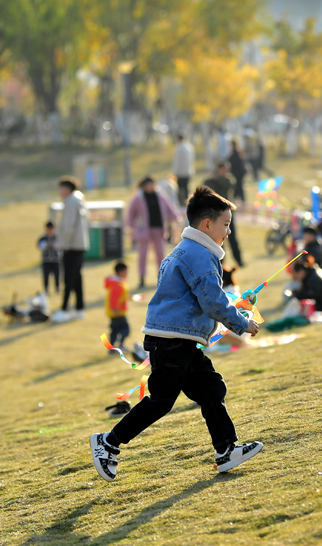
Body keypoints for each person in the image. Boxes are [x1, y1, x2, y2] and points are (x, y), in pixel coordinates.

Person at [89, 186, 262, 482]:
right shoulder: (200, 254)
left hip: (178, 339)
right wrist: (240, 322)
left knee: (211, 389)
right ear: (207, 225)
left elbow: (200, 301)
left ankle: (226, 450)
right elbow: (211, 300)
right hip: (172, 341)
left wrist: (233, 311)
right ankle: (108, 442)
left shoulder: (185, 250)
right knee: (161, 400)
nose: (228, 232)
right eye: (226, 224)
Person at [127, 176, 180, 288]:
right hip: (144, 231)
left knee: (161, 255)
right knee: (143, 255)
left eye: (152, 184)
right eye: (148, 184)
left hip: (159, 229)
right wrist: (131, 226)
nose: (151, 187)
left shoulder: (160, 195)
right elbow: (130, 213)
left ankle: (162, 277)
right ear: (144, 186)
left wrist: (176, 218)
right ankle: (142, 278)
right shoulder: (138, 198)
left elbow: (169, 208)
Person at [53, 176, 90, 323]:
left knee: (68, 278)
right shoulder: (79, 199)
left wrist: (65, 244)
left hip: (72, 245)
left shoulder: (70, 202)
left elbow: (69, 226)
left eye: (61, 188)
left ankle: (64, 309)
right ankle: (79, 308)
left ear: (67, 189)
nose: (59, 191)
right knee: (76, 277)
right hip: (80, 244)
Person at [204, 163, 244, 267]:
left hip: (228, 214)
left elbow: (228, 184)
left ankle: (239, 261)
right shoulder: (211, 181)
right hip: (216, 216)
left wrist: (217, 178)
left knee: (233, 239)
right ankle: (221, 263)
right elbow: (207, 188)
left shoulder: (228, 179)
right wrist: (214, 179)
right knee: (218, 240)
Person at [105, 261, 130, 352]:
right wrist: (115, 309)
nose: (127, 274)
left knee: (114, 331)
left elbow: (121, 296)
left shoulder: (117, 282)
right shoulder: (117, 284)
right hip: (118, 313)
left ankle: (112, 349)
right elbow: (113, 298)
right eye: (126, 271)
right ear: (120, 272)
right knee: (125, 329)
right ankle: (121, 344)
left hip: (115, 312)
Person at [171, 134, 195, 206]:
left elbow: (177, 162)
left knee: (180, 189)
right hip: (188, 171)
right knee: (186, 188)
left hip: (181, 172)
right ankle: (188, 201)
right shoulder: (189, 147)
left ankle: (182, 203)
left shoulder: (180, 148)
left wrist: (175, 172)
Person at [38, 221, 60, 295]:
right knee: (46, 276)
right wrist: (46, 244)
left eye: (51, 229)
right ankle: (46, 289)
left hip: (55, 260)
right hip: (46, 260)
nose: (50, 230)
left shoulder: (57, 237)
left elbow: (60, 246)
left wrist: (53, 245)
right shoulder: (43, 238)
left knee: (57, 275)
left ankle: (57, 288)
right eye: (48, 229)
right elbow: (40, 246)